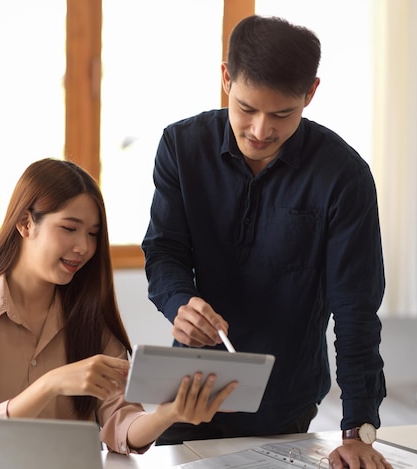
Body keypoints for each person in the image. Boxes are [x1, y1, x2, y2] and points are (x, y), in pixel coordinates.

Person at [141, 14, 391, 469]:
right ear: (225, 78)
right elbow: (164, 250)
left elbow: (355, 311)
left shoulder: (343, 177)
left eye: (282, 114)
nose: (260, 130)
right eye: (246, 108)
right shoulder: (181, 147)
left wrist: (359, 428)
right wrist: (179, 302)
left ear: (310, 94)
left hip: (285, 394)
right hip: (190, 383)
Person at [0, 158, 237, 455]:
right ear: (25, 223)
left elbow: (120, 421)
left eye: (92, 234)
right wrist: (50, 384)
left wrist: (168, 414)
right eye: (69, 228)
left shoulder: (89, 314)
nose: (84, 247)